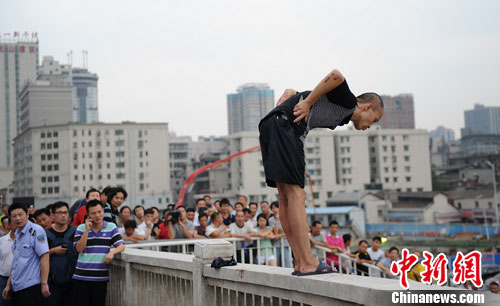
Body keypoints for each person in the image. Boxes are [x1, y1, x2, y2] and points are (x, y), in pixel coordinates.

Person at [258, 69, 383, 275]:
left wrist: (293, 99)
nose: (370, 126)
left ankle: (300, 262)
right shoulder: (349, 103)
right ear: (367, 106)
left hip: (271, 125)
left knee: (286, 196)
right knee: (297, 195)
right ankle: (308, 262)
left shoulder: (341, 116)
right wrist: (307, 103)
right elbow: (336, 76)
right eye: (374, 119)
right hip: (286, 127)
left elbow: (291, 91)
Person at [73, 200, 125, 306]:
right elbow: (79, 249)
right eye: (93, 213)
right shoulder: (81, 228)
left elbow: (121, 245)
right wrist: (87, 230)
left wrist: (112, 253)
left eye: (99, 212)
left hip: (100, 277)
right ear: (88, 215)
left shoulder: (111, 227)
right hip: (81, 277)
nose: (97, 215)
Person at [2, 203, 50, 306]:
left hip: (31, 287)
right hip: (17, 287)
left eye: (20, 214)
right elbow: (16, 262)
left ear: (27, 214)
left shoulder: (36, 231)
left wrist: (44, 283)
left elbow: (45, 257)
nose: (17, 218)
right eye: (14, 216)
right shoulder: (17, 234)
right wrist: (8, 284)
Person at [46, 201, 77, 306]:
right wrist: (53, 251)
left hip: (73, 281)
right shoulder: (46, 234)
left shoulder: (75, 231)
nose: (63, 215)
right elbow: (39, 256)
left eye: (65, 212)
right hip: (52, 282)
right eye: (59, 213)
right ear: (53, 215)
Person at [268, 202, 291, 268]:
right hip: (276, 244)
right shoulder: (271, 220)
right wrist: (277, 220)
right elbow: (275, 232)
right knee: (277, 263)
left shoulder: (286, 217)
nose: (275, 209)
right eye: (273, 208)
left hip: (285, 243)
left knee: (287, 262)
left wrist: (278, 236)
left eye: (277, 207)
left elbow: (287, 232)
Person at [0, 217, 15, 306]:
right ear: (9, 225)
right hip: (3, 279)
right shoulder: (1, 241)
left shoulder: (26, 240)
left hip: (21, 280)